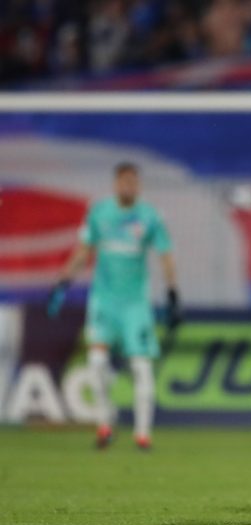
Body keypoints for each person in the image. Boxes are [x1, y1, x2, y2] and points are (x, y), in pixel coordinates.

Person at [48, 162, 180, 450]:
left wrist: (172, 293)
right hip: (104, 301)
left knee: (141, 368)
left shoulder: (149, 217)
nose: (128, 186)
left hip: (136, 305)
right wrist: (62, 284)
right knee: (96, 364)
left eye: (133, 182)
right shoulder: (100, 213)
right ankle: (105, 425)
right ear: (115, 183)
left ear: (139, 185)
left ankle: (142, 434)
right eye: (124, 181)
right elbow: (83, 252)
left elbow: (165, 256)